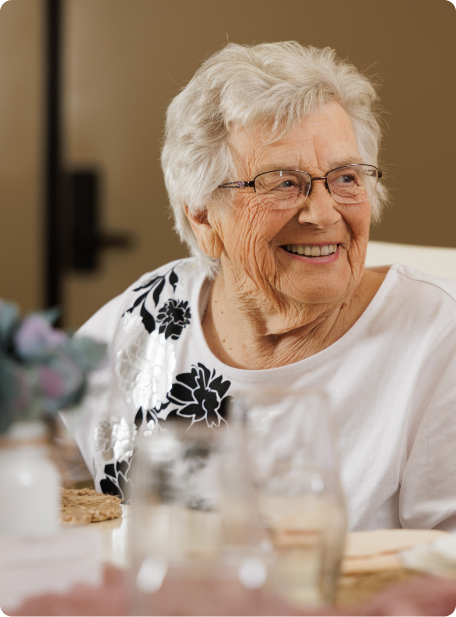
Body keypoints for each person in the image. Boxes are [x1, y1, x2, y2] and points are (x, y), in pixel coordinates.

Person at [64, 42, 456, 533]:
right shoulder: (152, 310)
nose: (323, 213)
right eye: (281, 182)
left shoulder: (440, 340)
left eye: (345, 177)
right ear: (203, 214)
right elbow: (27, 445)